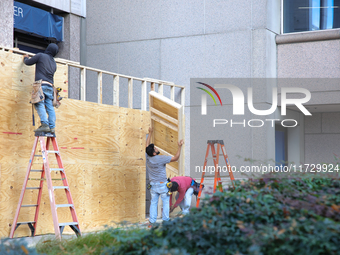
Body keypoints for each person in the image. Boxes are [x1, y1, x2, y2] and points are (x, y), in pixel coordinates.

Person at [145, 127, 184, 224]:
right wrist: (179, 147)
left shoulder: (148, 157)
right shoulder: (161, 158)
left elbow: (146, 146)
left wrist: (150, 133)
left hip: (153, 185)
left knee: (153, 203)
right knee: (166, 202)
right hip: (162, 184)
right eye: (155, 148)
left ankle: (152, 221)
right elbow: (176, 158)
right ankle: (166, 220)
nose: (156, 148)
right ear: (154, 153)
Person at [23, 43, 59, 133]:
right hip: (50, 87)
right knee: (50, 106)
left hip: (41, 85)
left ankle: (44, 124)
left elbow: (27, 63)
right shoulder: (54, 63)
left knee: (39, 103)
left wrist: (25, 57)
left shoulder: (41, 56)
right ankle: (52, 127)